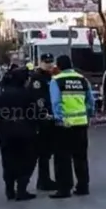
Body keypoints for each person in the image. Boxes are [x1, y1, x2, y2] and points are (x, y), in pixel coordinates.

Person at [49, 55, 94, 198]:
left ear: (59, 66)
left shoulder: (56, 81)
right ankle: (83, 186)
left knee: (63, 158)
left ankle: (64, 189)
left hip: (64, 125)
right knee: (80, 157)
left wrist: (59, 118)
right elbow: (90, 101)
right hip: (81, 123)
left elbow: (56, 103)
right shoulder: (82, 80)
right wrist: (88, 116)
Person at [0, 68, 37, 201]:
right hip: (24, 131)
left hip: (6, 132)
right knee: (26, 160)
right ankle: (22, 189)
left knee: (8, 161)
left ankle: (9, 189)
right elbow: (33, 113)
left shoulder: (3, 95)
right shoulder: (27, 94)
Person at [28, 53, 57, 191]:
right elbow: (38, 99)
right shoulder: (37, 79)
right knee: (43, 153)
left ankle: (44, 179)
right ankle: (43, 181)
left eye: (51, 62)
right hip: (42, 120)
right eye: (46, 62)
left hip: (50, 118)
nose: (49, 64)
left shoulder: (51, 77)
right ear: (40, 62)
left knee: (47, 152)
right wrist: (44, 114)